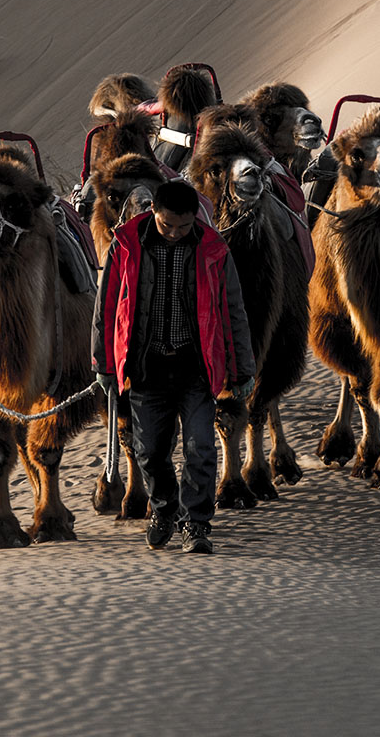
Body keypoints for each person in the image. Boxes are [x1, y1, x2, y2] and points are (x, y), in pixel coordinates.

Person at [92, 180, 255, 554]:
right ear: (154, 213)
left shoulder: (213, 249)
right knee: (149, 452)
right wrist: (103, 363)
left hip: (196, 369)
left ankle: (196, 524)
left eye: (184, 226)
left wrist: (242, 368)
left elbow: (233, 310)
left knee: (201, 447)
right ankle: (164, 510)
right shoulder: (125, 246)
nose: (175, 233)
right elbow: (105, 308)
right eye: (168, 225)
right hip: (147, 368)